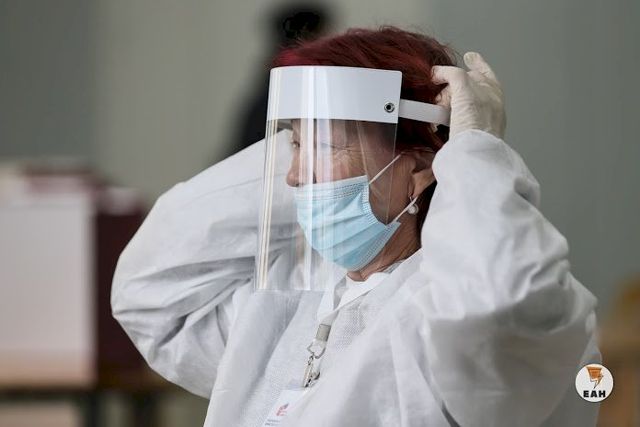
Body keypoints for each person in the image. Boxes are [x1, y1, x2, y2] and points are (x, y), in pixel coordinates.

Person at [111, 27, 600, 426]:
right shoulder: (297, 298)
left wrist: (474, 154)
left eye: (324, 145)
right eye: (295, 145)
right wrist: (308, 136)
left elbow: (499, 310)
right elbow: (150, 294)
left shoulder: (462, 307)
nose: (292, 176)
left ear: (420, 166)